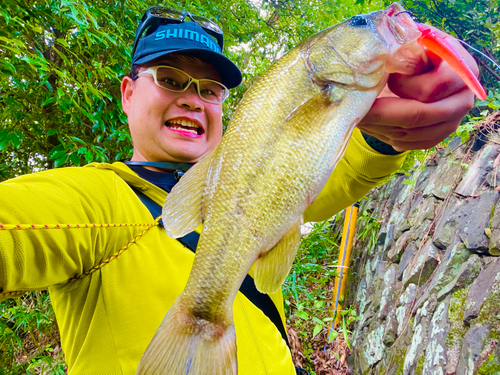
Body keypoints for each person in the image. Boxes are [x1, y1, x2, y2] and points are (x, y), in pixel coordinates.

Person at [0, 5, 477, 374]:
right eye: (170, 79)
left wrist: (389, 133)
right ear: (128, 93)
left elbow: (342, 169)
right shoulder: (90, 197)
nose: (192, 97)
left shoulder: (249, 179)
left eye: (210, 90)